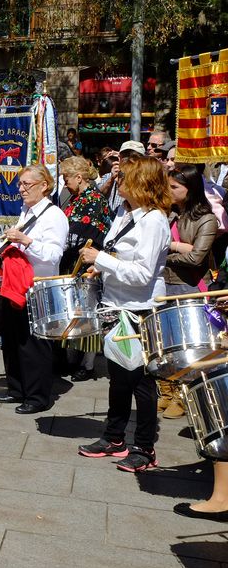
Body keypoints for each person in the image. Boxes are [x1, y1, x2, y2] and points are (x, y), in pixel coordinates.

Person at [77, 157, 172, 472]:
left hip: (141, 309)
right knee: (119, 379)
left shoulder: (155, 220)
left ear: (141, 182)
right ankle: (114, 437)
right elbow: (119, 257)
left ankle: (145, 448)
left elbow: (143, 274)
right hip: (116, 306)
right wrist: (99, 267)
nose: (118, 180)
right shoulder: (126, 213)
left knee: (142, 382)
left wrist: (101, 258)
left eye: (125, 177)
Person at [0, 164, 69, 414]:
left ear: (44, 186)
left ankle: (37, 397)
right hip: (17, 283)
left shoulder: (54, 215)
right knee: (13, 340)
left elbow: (54, 254)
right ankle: (17, 389)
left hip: (38, 286)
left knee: (34, 344)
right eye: (20, 184)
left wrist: (26, 240)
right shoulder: (27, 210)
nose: (21, 189)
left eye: (27, 184)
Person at [160, 165, 218, 419]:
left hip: (191, 286)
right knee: (166, 341)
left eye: (174, 187)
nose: (169, 191)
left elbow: (196, 257)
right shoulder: (168, 214)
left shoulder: (206, 219)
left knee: (189, 344)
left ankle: (185, 395)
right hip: (166, 283)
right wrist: (177, 248)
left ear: (191, 189)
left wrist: (168, 248)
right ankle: (168, 390)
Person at [57, 156, 111, 381]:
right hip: (71, 260)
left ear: (79, 177)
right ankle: (73, 357)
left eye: (66, 178)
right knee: (75, 310)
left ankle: (88, 364)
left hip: (88, 263)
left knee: (88, 310)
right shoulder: (75, 197)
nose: (64, 182)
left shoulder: (94, 198)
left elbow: (81, 234)